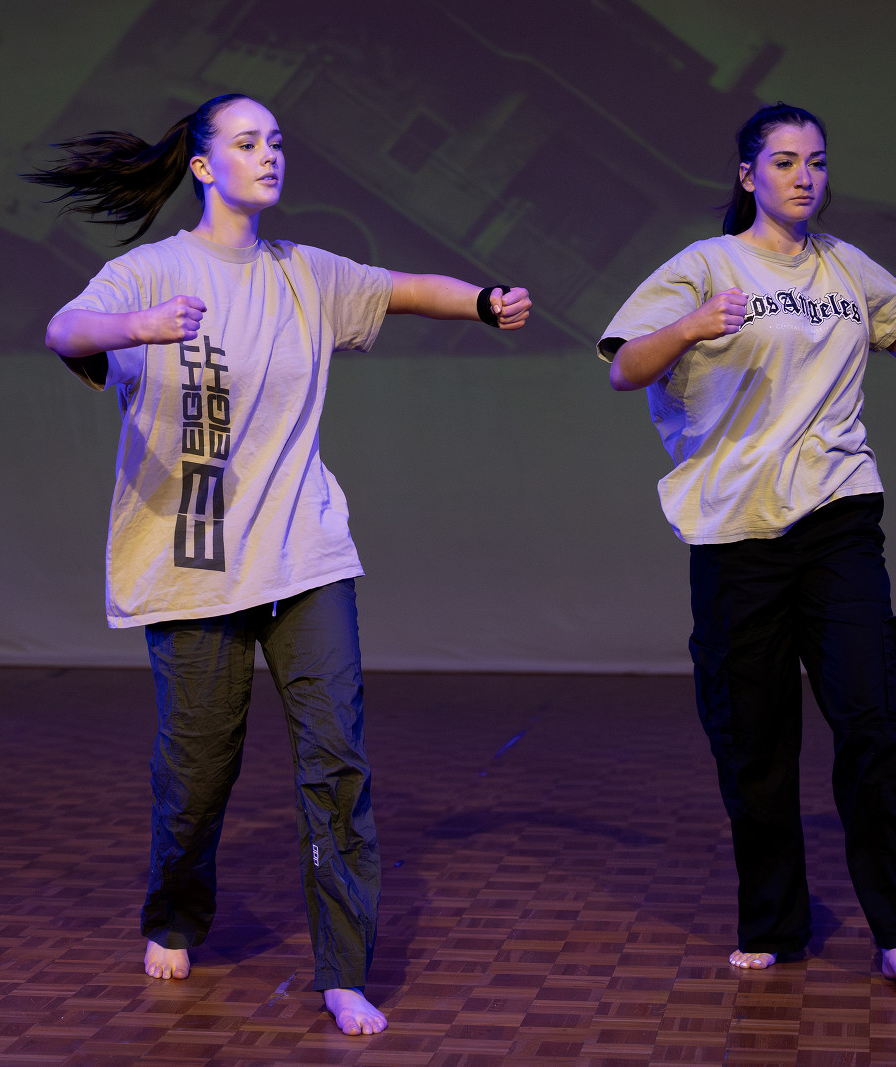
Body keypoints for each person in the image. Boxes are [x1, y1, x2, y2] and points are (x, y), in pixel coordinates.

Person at [30, 93, 532, 1035]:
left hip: (306, 552)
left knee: (336, 759)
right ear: (203, 166)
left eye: (277, 142)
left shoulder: (307, 272)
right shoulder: (150, 271)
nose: (270, 155)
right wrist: (138, 328)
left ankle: (343, 968)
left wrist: (482, 301)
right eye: (247, 142)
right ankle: (175, 910)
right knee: (197, 775)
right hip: (194, 566)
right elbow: (66, 330)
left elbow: (403, 287)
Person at [598, 103, 896, 989]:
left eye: (818, 161)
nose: (805, 176)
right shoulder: (704, 265)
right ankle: (774, 921)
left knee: (872, 723)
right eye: (786, 161)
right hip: (737, 532)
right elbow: (623, 366)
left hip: (839, 516)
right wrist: (690, 327)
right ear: (748, 174)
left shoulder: (847, 267)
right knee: (755, 740)